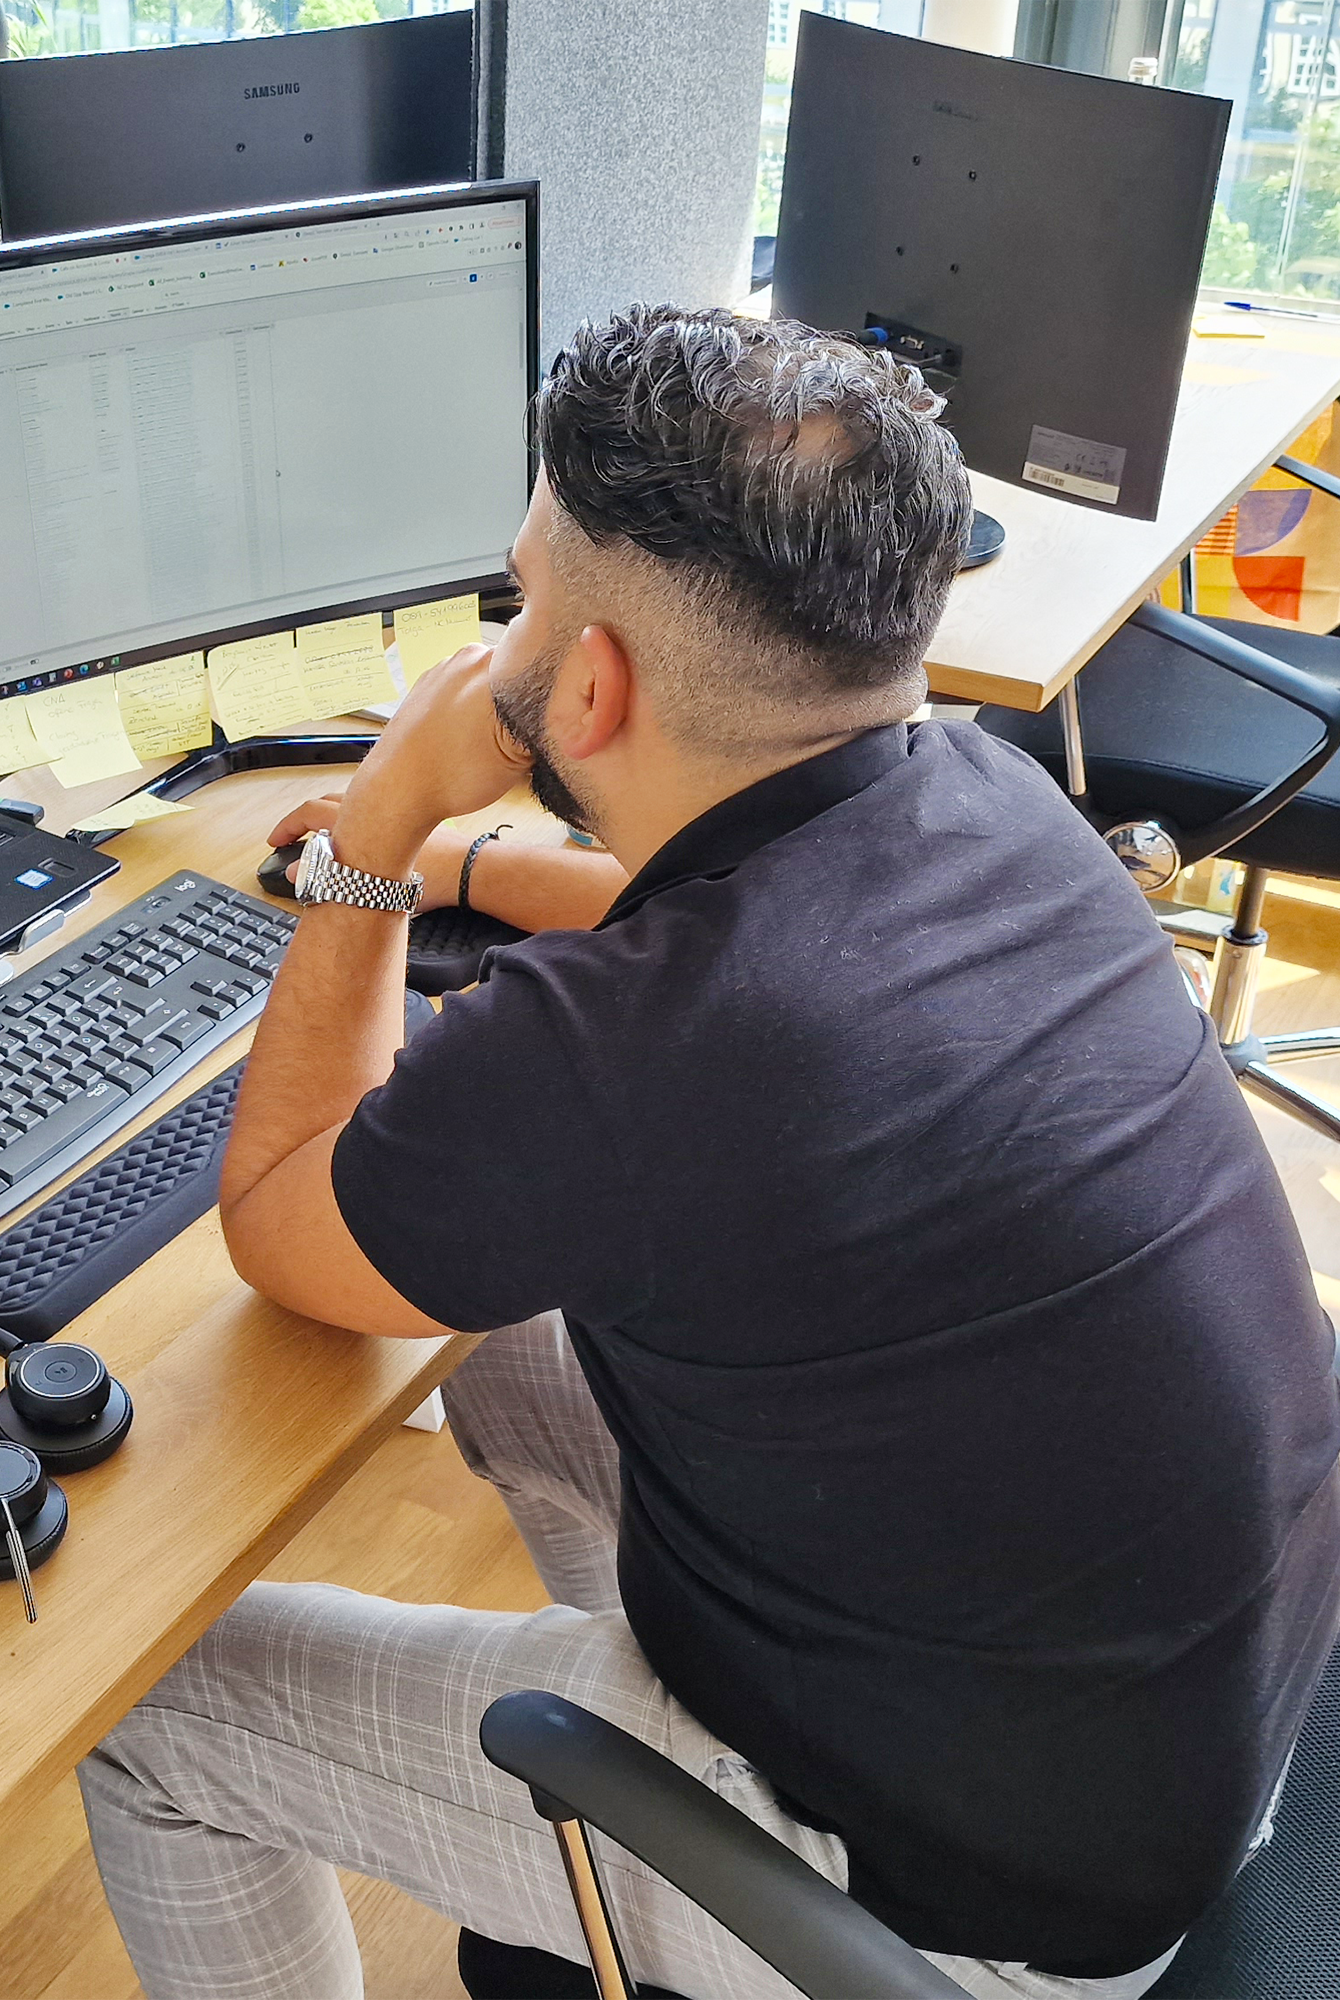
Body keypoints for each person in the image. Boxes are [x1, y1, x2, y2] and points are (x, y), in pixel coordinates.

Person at [76, 305, 1340, 2000]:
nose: (504, 639)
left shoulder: (632, 1052)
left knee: (153, 1712)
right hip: (1186, 1718)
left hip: (991, 1919)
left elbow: (279, 1223)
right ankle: (636, 1736)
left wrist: (381, 830)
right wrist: (479, 873)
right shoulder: (994, 800)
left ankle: (658, 1805)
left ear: (588, 685)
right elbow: (722, 912)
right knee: (507, 1359)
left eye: (523, 596)